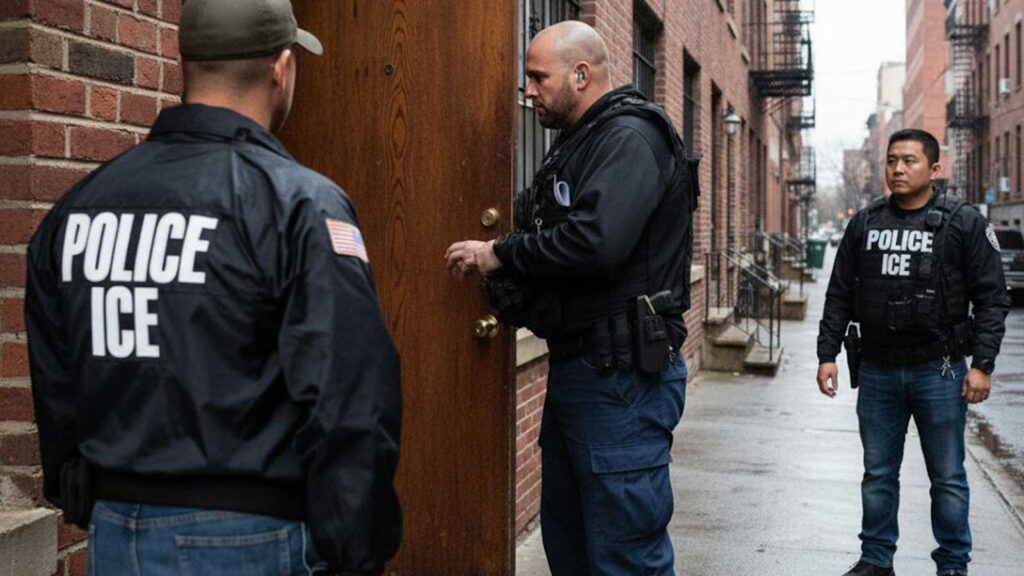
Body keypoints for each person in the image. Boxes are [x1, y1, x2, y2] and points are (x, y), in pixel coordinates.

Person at [25, 1, 402, 574]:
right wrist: (357, 550)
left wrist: (81, 488)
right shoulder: (298, 203)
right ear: (281, 67)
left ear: (186, 65)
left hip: (114, 531)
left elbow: (57, 380)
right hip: (250, 536)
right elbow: (348, 397)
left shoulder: (78, 208)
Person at [446, 21, 697, 576]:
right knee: (574, 549)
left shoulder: (630, 137)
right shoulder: (581, 142)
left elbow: (597, 243)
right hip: (583, 372)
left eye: (537, 77)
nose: (527, 90)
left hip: (622, 382)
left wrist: (501, 253)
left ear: (581, 75)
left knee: (625, 558)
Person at [816, 129, 1010, 576]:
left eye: (909, 161)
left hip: (938, 370)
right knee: (878, 474)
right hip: (879, 370)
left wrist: (982, 365)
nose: (898, 169)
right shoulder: (864, 224)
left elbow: (992, 298)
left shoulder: (962, 223)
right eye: (891, 161)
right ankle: (876, 559)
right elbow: (839, 294)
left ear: (934, 169)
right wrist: (827, 354)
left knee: (947, 478)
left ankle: (953, 565)